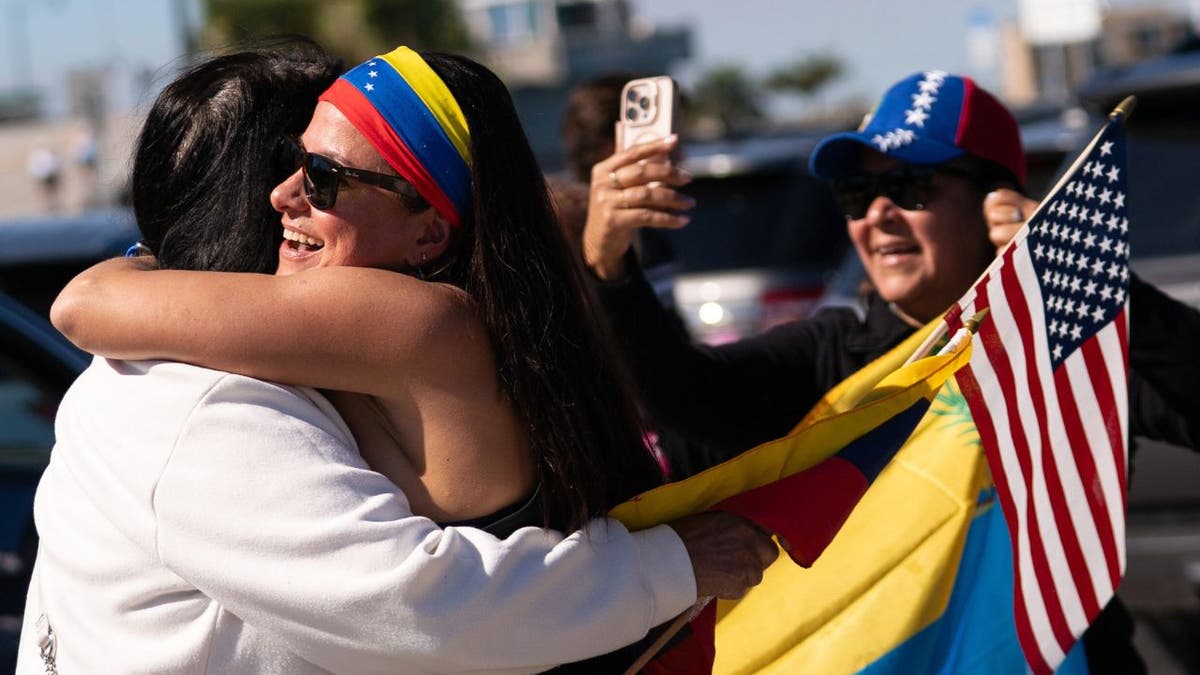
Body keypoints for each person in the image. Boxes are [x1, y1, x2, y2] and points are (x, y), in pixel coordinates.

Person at [22, 42, 778, 673]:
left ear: (429, 234)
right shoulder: (224, 381)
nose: (286, 193)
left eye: (325, 177)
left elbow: (82, 304)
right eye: (290, 161)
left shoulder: (410, 322)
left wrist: (667, 568)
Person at [579, 70, 1196, 673]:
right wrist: (612, 269)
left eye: (910, 187)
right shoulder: (833, 354)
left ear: (997, 203)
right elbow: (684, 397)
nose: (876, 214)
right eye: (854, 195)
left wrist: (1088, 278)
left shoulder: (1063, 339)